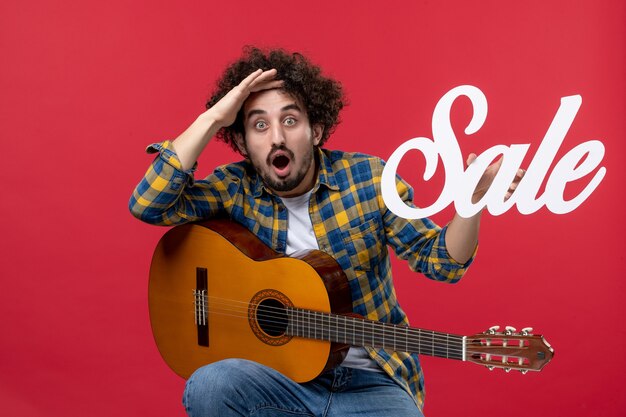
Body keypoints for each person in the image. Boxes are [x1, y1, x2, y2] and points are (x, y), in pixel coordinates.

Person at [129, 47, 524, 417]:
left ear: (316, 130)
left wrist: (472, 202)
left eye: (289, 120)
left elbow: (442, 263)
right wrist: (213, 117)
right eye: (259, 126)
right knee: (209, 385)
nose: (277, 137)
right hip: (279, 382)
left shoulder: (368, 179)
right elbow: (148, 204)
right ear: (243, 143)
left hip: (372, 384)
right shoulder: (234, 188)